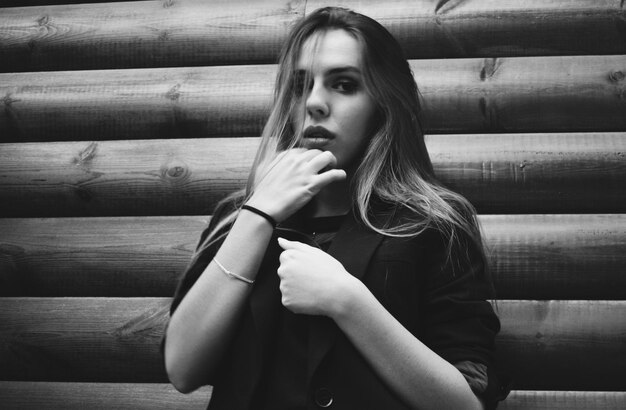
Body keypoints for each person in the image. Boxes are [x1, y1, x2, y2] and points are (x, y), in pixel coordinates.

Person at [163, 7, 509, 410]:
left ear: (383, 102)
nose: (314, 103)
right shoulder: (237, 216)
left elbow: (466, 405)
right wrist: (258, 215)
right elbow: (183, 370)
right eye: (299, 86)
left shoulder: (433, 223)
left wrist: (348, 301)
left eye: (343, 85)